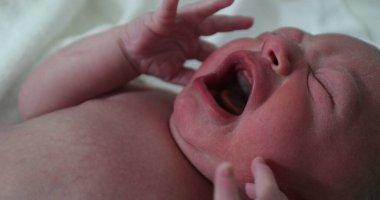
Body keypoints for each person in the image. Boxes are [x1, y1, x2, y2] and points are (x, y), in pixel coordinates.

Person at [1, 0, 379, 199]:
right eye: (291, 35)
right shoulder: (150, 104)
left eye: (324, 88)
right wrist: (125, 53)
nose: (278, 45)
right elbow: (36, 103)